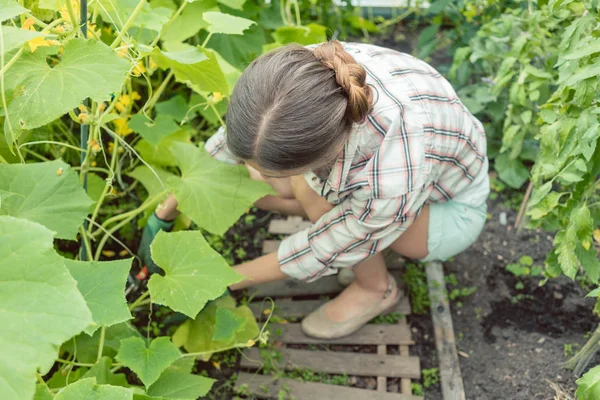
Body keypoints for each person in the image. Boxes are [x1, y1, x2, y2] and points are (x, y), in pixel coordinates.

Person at [139, 40, 489, 339]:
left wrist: (217, 281)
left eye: (272, 169)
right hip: (402, 183)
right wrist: (167, 209)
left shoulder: (390, 170)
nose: (258, 175)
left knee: (327, 214)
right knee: (290, 192)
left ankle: (375, 289)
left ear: (326, 152)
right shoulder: (296, 76)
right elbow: (241, 136)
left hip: (449, 208)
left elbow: (329, 244)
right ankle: (322, 204)